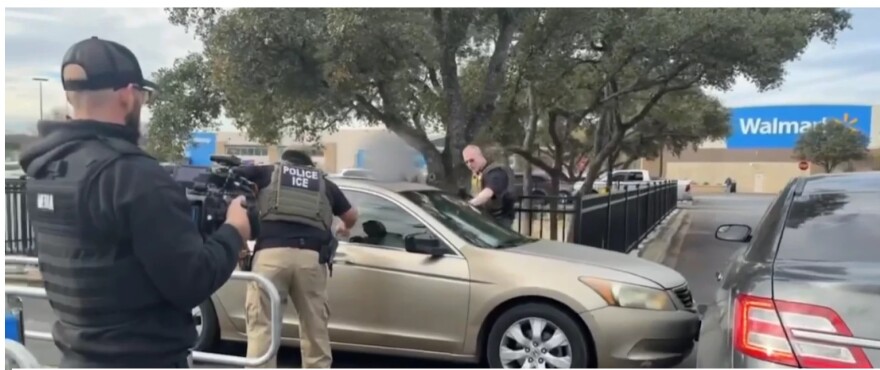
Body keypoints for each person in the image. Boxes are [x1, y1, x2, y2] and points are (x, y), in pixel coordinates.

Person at [18, 37, 252, 368]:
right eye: (144, 96)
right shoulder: (133, 175)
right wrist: (233, 230)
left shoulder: (44, 170)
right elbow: (192, 281)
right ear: (129, 96)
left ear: (71, 96)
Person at [235, 149, 358, 368]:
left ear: (285, 163)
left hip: (270, 257)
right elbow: (351, 215)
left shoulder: (268, 173)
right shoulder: (324, 184)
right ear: (309, 166)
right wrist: (344, 227)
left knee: (262, 327)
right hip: (311, 259)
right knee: (314, 328)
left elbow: (236, 175)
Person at [462, 144, 516, 229]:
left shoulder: (495, 172)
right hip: (486, 217)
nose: (469, 164)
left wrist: (468, 205)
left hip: (500, 219)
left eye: (472, 160)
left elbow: (487, 193)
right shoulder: (478, 173)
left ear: (480, 156)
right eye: (466, 162)